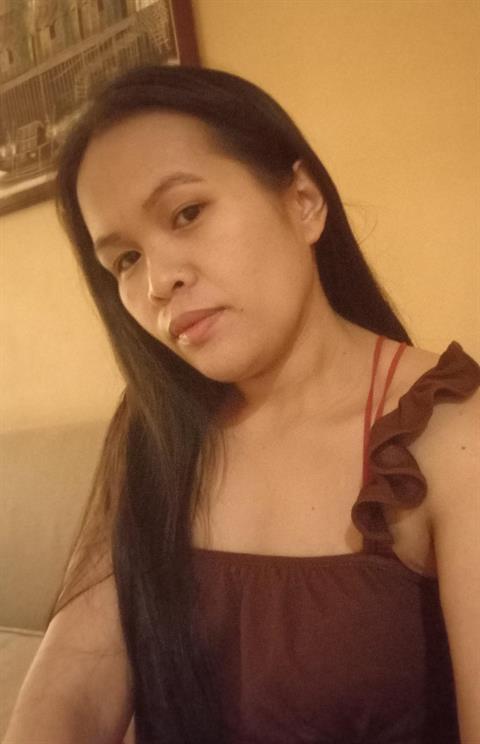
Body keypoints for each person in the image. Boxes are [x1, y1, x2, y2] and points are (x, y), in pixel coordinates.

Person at [3, 65, 479, 744]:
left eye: (187, 213)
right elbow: (75, 682)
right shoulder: (153, 432)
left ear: (304, 202)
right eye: (126, 260)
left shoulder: (451, 428)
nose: (159, 280)